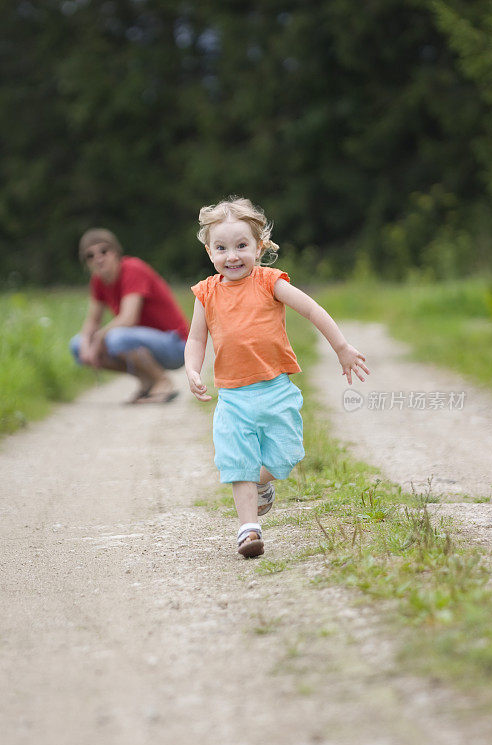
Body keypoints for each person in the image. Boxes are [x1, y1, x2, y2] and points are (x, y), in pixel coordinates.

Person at [184, 197, 369, 558]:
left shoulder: (269, 282)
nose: (232, 256)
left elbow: (312, 310)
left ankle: (259, 482)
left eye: (241, 246)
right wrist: (192, 368)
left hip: (275, 390)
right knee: (238, 462)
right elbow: (196, 338)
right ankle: (248, 530)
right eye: (221, 248)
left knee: (287, 456)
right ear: (209, 251)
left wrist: (342, 347)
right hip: (234, 397)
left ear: (259, 247)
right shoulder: (206, 293)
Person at [70, 228, 189, 404]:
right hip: (143, 342)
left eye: (104, 251)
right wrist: (87, 343)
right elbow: (92, 320)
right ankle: (147, 382)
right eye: (90, 255)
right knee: (77, 346)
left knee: (117, 338)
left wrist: (97, 339)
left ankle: (162, 381)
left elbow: (128, 318)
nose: (98, 258)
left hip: (175, 344)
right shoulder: (98, 282)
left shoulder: (132, 269)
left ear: (116, 251)